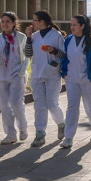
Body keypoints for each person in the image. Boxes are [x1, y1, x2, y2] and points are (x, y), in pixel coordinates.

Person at [59, 15, 91, 148]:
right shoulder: (68, 39)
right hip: (72, 79)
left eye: (75, 25)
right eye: (71, 25)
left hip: (88, 80)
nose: (72, 27)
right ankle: (68, 137)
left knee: (90, 107)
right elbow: (63, 57)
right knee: (72, 108)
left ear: (82, 26)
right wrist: (64, 73)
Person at [24, 10, 66, 147]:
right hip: (37, 74)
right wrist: (28, 38)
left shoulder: (56, 35)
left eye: (34, 20)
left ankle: (61, 123)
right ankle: (40, 133)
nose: (32, 23)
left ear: (42, 21)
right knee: (39, 105)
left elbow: (64, 55)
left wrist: (53, 50)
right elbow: (27, 53)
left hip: (52, 74)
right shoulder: (34, 36)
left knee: (52, 103)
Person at [0, 12, 29, 145]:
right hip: (2, 75)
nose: (4, 24)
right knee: (4, 105)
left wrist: (21, 72)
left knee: (16, 103)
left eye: (7, 21)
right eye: (2, 21)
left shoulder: (21, 37)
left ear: (14, 23)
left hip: (16, 74)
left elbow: (27, 57)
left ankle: (23, 128)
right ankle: (10, 134)